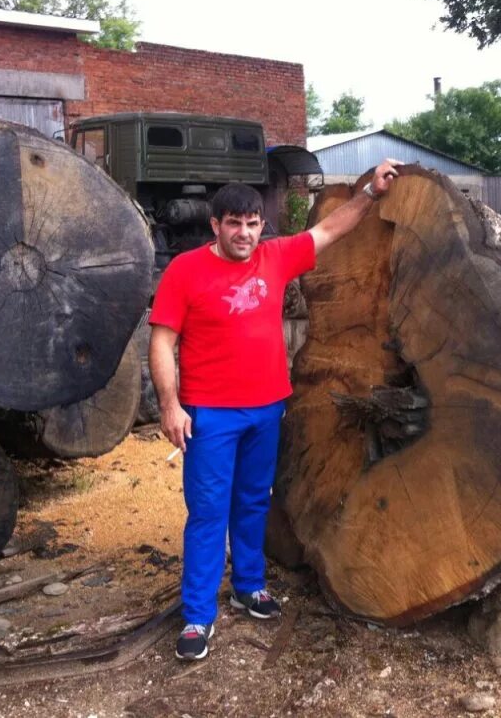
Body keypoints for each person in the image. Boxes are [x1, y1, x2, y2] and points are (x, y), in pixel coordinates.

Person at [149, 160, 401, 661]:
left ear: (262, 226)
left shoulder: (276, 258)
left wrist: (371, 191)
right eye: (234, 224)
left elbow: (330, 227)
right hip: (210, 414)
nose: (243, 233)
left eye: (252, 223)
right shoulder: (186, 271)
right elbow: (161, 342)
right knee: (207, 513)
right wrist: (170, 405)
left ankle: (249, 586)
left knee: (253, 501)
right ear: (215, 226)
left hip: (266, 407)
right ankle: (198, 616)